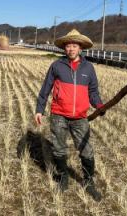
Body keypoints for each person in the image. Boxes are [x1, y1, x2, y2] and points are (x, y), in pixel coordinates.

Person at [35, 29, 105, 200]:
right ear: (64, 48)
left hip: (80, 117)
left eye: (74, 46)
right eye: (68, 46)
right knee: (59, 148)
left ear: (80, 48)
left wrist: (99, 105)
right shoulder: (57, 66)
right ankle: (63, 177)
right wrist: (39, 109)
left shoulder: (88, 68)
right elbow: (46, 88)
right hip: (59, 114)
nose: (71, 49)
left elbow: (93, 92)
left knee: (86, 151)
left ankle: (89, 182)